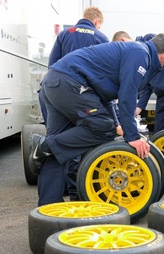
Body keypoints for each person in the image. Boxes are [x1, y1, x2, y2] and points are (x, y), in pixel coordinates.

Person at [29, 33, 164, 206]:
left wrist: (118, 124)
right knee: (103, 129)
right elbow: (127, 95)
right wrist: (132, 136)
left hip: (55, 82)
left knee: (57, 150)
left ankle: (48, 206)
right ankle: (45, 144)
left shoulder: (133, 51)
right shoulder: (141, 54)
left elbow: (105, 97)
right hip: (71, 84)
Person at [39, 6, 120, 201]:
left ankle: (48, 204)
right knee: (87, 140)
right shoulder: (100, 37)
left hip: (55, 89)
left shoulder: (65, 34)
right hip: (83, 96)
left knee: (56, 146)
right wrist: (116, 121)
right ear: (97, 22)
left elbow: (52, 65)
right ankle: (79, 194)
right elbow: (102, 81)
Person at [112, 31, 164, 133]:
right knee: (159, 129)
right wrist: (138, 108)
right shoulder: (140, 60)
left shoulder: (148, 40)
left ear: (122, 40)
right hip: (160, 95)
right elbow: (147, 86)